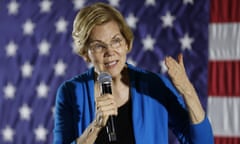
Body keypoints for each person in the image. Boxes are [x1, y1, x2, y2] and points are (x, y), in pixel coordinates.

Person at [53, 2, 214, 144]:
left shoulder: (154, 85)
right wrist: (96, 127)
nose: (110, 52)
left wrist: (187, 90)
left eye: (116, 41)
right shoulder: (70, 92)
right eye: (98, 46)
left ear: (126, 44)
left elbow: (202, 142)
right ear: (85, 53)